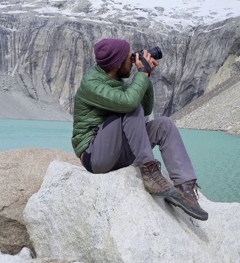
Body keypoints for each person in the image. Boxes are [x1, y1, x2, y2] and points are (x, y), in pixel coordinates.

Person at [71, 38, 208, 220]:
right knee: (130, 105)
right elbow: (130, 103)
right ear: (118, 63)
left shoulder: (118, 81)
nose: (133, 59)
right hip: (95, 156)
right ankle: (150, 172)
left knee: (164, 125)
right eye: (129, 57)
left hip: (119, 153)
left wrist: (146, 77)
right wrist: (140, 74)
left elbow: (147, 108)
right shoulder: (91, 84)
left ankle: (185, 189)